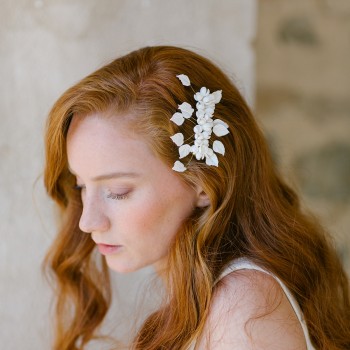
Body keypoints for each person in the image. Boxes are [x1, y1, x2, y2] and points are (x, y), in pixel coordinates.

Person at [43, 46, 350, 350]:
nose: (87, 221)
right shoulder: (213, 298)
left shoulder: (243, 310)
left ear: (204, 184)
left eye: (118, 191)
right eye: (81, 185)